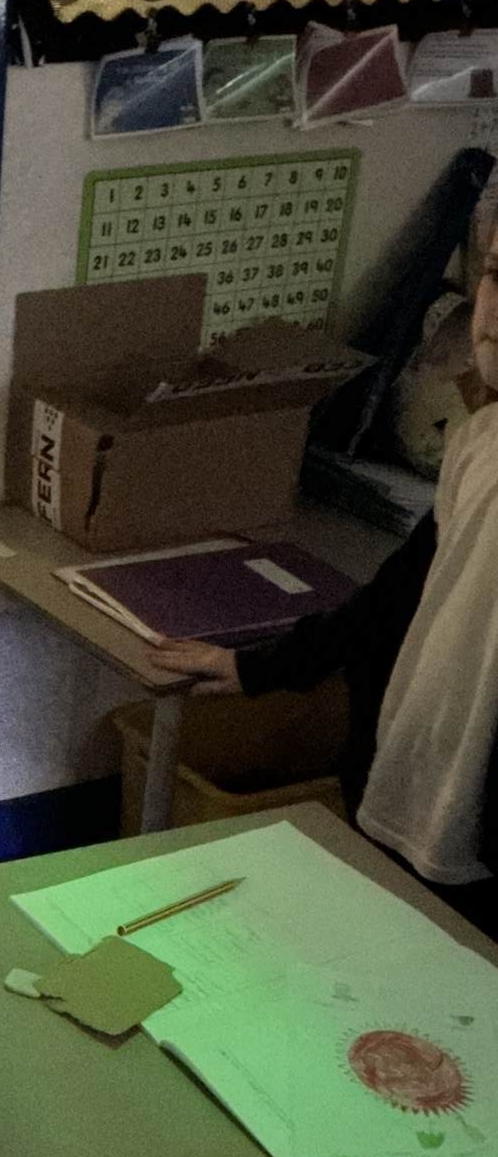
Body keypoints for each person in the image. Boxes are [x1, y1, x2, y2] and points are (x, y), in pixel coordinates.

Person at [150, 235, 498, 942]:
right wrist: (262, 666)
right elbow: (399, 597)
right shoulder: (481, 440)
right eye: (497, 274)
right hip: (419, 782)